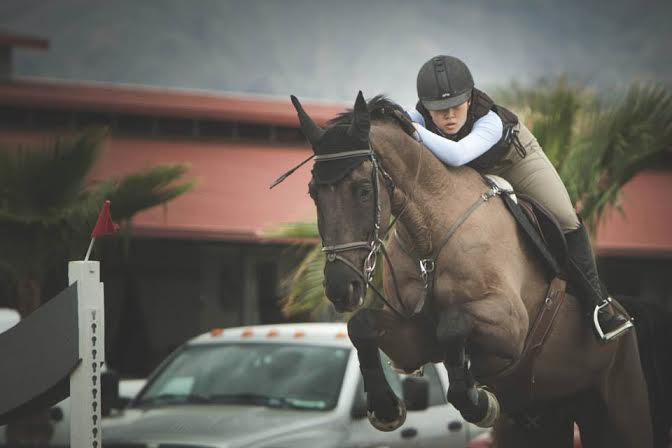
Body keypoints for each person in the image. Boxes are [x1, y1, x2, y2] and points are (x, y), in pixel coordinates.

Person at [407, 55, 632, 342]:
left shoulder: (489, 120)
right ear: (425, 107)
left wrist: (412, 129)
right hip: (469, 174)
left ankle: (599, 306)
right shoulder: (418, 116)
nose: (449, 116)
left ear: (470, 98)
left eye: (455, 107)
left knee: (566, 219)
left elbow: (458, 154)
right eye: (439, 110)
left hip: (516, 161)